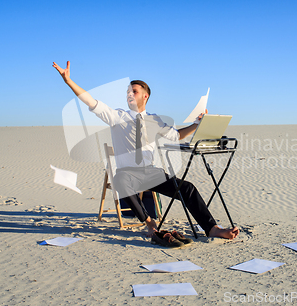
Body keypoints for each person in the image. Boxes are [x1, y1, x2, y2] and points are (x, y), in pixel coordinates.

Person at [53, 61, 239, 240]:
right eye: (128, 92)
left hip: (151, 172)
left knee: (188, 188)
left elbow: (176, 136)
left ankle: (212, 228)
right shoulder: (117, 116)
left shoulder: (155, 120)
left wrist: (196, 125)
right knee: (119, 180)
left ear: (145, 96)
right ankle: (150, 223)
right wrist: (69, 81)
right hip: (128, 174)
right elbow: (91, 101)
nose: (129, 95)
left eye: (134, 91)